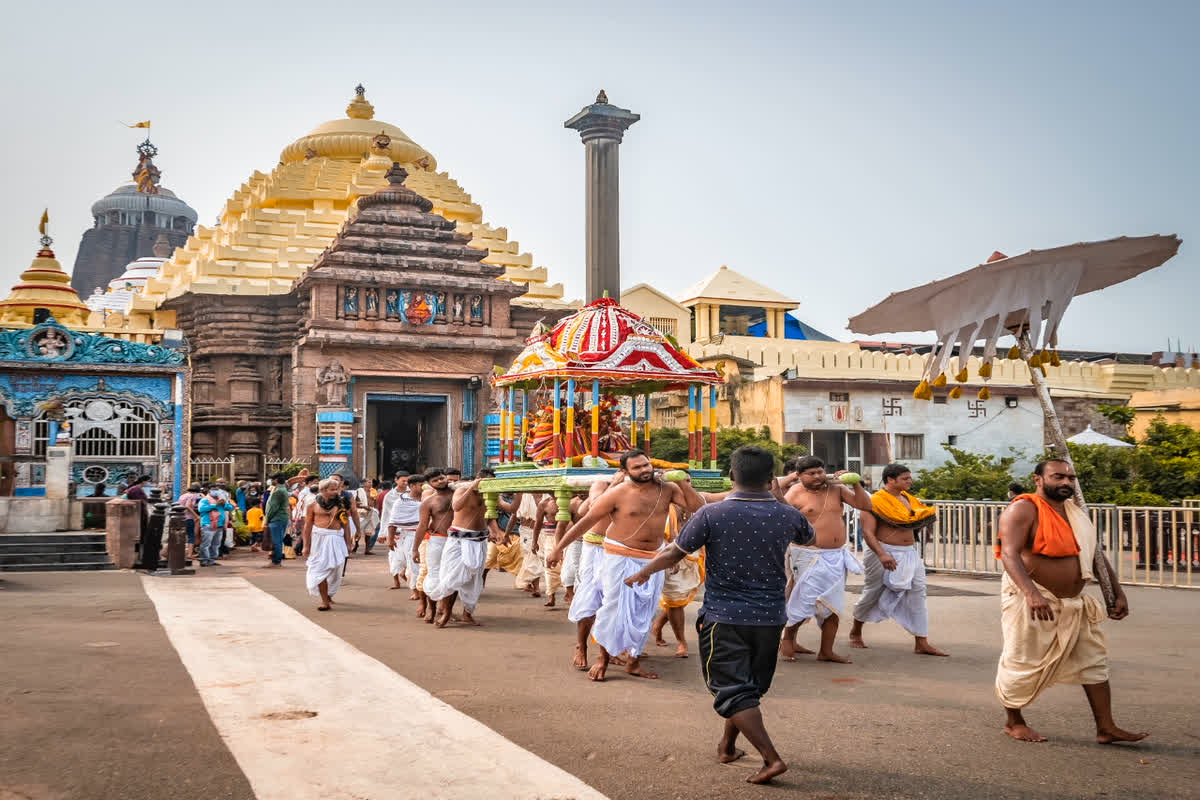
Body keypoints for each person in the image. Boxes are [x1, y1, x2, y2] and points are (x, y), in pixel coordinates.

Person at [625, 446, 815, 785]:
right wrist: (780, 497)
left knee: (732, 689)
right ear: (771, 479)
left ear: (732, 477)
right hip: (770, 616)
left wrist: (643, 573)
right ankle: (727, 747)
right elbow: (808, 536)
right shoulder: (787, 515)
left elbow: (673, 552)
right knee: (748, 687)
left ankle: (771, 759)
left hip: (725, 616)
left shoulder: (712, 514)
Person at [994, 459, 1146, 744]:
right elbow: (1009, 555)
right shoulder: (1022, 509)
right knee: (1021, 659)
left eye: (1070, 478)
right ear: (1038, 479)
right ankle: (1013, 721)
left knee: (1094, 662)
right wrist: (1031, 593)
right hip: (1033, 599)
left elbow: (1094, 554)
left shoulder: (1076, 513)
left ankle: (1106, 727)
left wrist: (1115, 591)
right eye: (1058, 477)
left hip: (1075, 602)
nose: (1066, 482)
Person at [548, 450, 704, 681]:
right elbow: (585, 523)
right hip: (619, 557)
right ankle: (603, 658)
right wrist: (558, 548)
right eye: (637, 467)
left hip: (653, 558)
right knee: (613, 608)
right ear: (625, 472)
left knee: (644, 612)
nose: (644, 470)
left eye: (646, 465)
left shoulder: (668, 489)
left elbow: (698, 507)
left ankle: (633, 661)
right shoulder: (617, 493)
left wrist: (682, 482)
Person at [774, 456, 872, 664]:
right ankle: (788, 640)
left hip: (836, 555)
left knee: (833, 604)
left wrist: (853, 482)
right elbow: (779, 517)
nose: (818, 476)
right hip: (807, 555)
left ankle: (826, 650)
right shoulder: (794, 493)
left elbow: (865, 505)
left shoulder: (836, 489)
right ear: (799, 476)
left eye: (820, 471)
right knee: (803, 600)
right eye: (811, 473)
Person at [848, 463, 949, 656]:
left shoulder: (910, 499)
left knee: (918, 593)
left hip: (909, 553)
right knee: (873, 592)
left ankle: (921, 641)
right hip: (883, 551)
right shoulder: (874, 501)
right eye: (905, 478)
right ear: (890, 480)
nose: (910, 481)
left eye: (909, 478)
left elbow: (918, 520)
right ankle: (856, 631)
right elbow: (868, 533)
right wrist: (882, 554)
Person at [427, 469, 505, 627]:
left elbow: (497, 514)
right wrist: (472, 487)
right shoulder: (462, 490)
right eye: (485, 482)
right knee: (452, 577)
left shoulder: (491, 494)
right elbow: (456, 506)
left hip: (479, 540)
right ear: (478, 479)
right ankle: (446, 613)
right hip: (458, 540)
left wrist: (497, 532)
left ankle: (467, 614)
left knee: (474, 580)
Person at [565, 476, 623, 669]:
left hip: (620, 549)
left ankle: (607, 652)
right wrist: (614, 484)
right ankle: (581, 647)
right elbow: (590, 510)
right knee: (589, 602)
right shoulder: (602, 484)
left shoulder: (639, 488)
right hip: (595, 548)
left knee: (613, 603)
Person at [410, 469, 454, 622]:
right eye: (435, 480)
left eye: (442, 478)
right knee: (434, 575)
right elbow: (422, 526)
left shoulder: (460, 493)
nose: (440, 481)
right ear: (429, 484)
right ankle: (431, 607)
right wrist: (415, 549)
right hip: (437, 540)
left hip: (456, 541)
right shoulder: (429, 502)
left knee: (452, 576)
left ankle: (446, 610)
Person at [303, 478, 352, 611]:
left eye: (336, 489)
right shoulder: (312, 506)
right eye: (332, 489)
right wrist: (306, 546)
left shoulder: (341, 505)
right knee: (319, 570)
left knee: (336, 571)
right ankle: (325, 601)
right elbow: (307, 527)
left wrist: (349, 542)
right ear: (323, 490)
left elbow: (345, 525)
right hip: (319, 540)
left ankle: (329, 595)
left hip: (336, 539)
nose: (335, 492)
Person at [385, 473, 425, 592]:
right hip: (408, 536)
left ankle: (421, 589)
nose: (424, 487)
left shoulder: (428, 498)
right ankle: (415, 590)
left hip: (427, 536)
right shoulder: (401, 502)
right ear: (412, 486)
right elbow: (392, 522)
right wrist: (390, 539)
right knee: (413, 564)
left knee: (423, 565)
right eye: (421, 485)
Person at [533, 493, 570, 607]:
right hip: (550, 537)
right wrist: (534, 542)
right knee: (549, 567)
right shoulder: (544, 504)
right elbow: (538, 523)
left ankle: (569, 592)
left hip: (567, 537)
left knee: (567, 566)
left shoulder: (570, 501)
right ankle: (551, 596)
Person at [196, 486, 234, 567]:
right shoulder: (205, 500)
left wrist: (224, 503)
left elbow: (230, 508)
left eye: (217, 490)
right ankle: (204, 560)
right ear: (209, 491)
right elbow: (201, 509)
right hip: (208, 524)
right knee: (206, 544)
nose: (216, 492)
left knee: (216, 544)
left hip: (219, 525)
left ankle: (212, 560)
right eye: (214, 490)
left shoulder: (221, 499)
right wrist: (215, 505)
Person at [263, 473, 291, 567]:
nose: (271, 481)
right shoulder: (283, 490)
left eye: (272, 479)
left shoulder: (278, 491)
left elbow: (273, 508)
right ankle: (276, 560)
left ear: (276, 480)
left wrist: (267, 519)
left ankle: (276, 561)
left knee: (276, 541)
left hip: (276, 518)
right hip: (281, 518)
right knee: (278, 540)